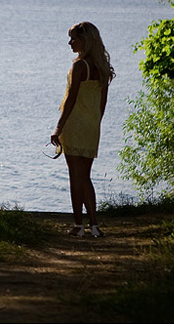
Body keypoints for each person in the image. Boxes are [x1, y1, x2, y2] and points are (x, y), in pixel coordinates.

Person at [50, 22, 115, 237]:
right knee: (85, 177)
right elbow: (102, 102)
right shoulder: (102, 67)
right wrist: (96, 122)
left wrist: (58, 128)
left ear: (85, 41)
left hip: (75, 123)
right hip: (91, 125)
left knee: (74, 177)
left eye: (73, 39)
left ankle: (78, 226)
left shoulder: (80, 67)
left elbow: (70, 100)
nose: (70, 43)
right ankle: (94, 225)